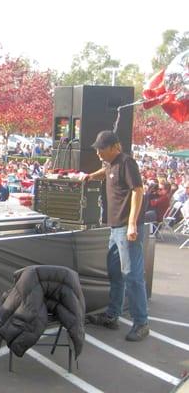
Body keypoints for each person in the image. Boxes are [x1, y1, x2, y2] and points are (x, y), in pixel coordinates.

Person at [84, 131, 149, 342]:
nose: (98, 152)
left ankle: (141, 323)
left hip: (125, 227)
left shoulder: (127, 162)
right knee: (115, 274)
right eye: (97, 148)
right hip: (114, 228)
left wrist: (131, 224)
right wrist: (91, 176)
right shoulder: (111, 163)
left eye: (101, 148)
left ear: (114, 146)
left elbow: (138, 191)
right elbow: (106, 171)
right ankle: (112, 315)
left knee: (132, 276)